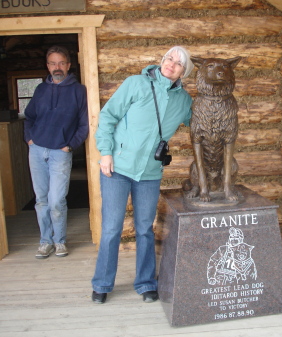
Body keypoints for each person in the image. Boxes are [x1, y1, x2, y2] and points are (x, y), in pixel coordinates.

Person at [91, 46, 194, 304]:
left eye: (178, 63)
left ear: (185, 72)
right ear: (162, 61)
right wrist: (106, 152)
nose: (171, 64)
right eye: (169, 58)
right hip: (117, 168)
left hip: (149, 173)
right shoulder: (135, 84)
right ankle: (102, 284)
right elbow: (109, 116)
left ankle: (146, 282)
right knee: (112, 228)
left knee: (145, 229)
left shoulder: (184, 101)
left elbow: (200, 121)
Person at [24, 45, 89, 259]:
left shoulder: (79, 91)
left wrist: (71, 145)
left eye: (61, 62)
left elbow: (84, 124)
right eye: (52, 63)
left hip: (60, 153)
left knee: (56, 200)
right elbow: (30, 116)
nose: (57, 67)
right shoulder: (40, 90)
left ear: (69, 65)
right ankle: (46, 241)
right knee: (41, 199)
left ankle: (60, 241)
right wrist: (30, 139)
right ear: (47, 66)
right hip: (37, 150)